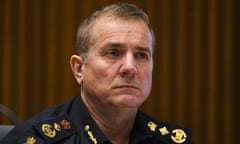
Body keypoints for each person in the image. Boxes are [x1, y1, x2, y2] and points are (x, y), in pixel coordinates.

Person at [1, 3, 194, 144]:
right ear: (79, 69)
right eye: (113, 53)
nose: (130, 67)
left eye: (141, 55)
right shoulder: (36, 139)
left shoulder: (172, 140)